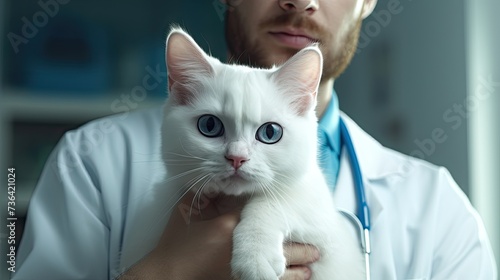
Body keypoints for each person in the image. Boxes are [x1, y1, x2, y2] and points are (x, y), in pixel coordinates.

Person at [12, 0, 497, 279]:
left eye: (268, 133)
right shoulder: (91, 162)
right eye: (211, 127)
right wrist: (168, 272)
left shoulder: (440, 209)